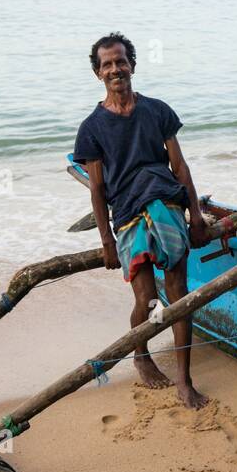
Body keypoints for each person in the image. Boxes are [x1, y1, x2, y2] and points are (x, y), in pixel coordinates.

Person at [73, 32, 210, 409]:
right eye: (107, 65)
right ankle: (142, 354)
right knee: (147, 299)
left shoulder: (158, 110)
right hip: (129, 215)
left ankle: (185, 379)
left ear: (132, 64)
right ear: (98, 73)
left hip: (167, 205)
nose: (115, 69)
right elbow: (98, 190)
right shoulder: (92, 128)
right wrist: (105, 241)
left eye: (121, 61)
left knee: (179, 296)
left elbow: (179, 165)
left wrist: (196, 215)